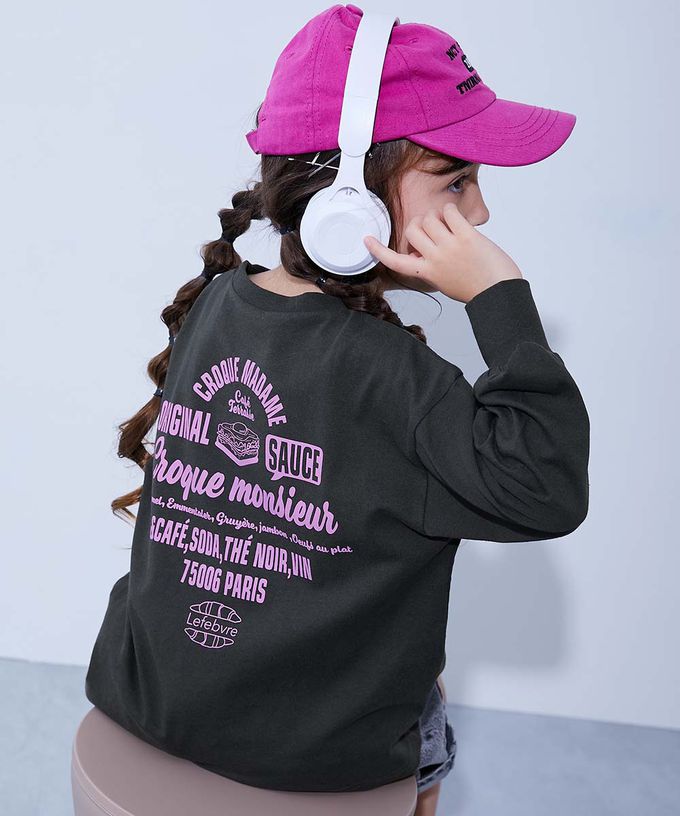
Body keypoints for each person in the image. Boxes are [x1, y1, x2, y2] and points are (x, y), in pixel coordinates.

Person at [84, 5, 590, 815]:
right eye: (457, 180)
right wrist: (501, 298)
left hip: (148, 695)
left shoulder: (217, 302)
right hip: (311, 758)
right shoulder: (400, 377)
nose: (481, 213)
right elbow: (547, 490)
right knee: (429, 703)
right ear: (350, 200)